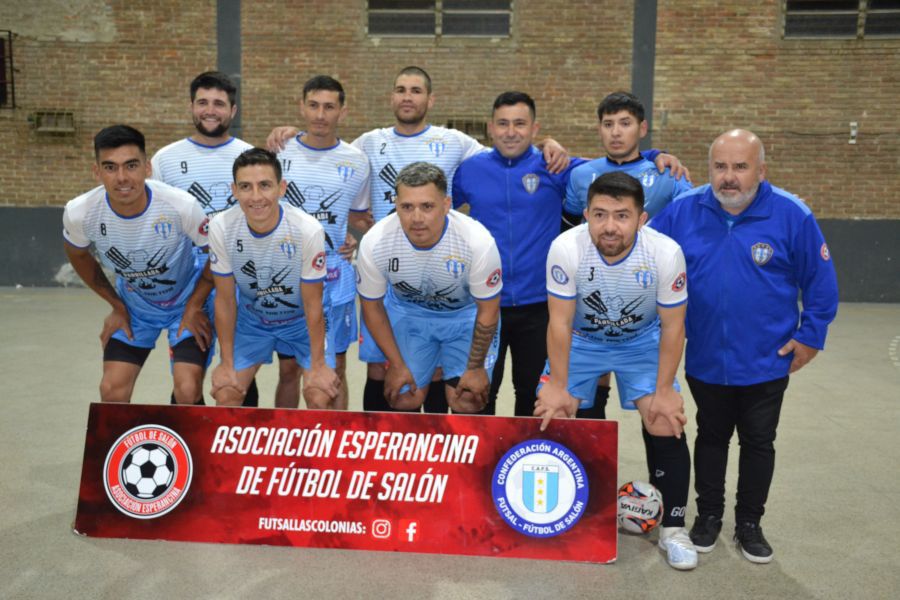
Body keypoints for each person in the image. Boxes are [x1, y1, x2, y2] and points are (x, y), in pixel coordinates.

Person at [266, 66, 567, 415]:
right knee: (382, 370)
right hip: (389, 269)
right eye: (401, 89)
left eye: (416, 90)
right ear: (391, 97)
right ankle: (383, 451)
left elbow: (506, 151)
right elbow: (339, 179)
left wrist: (547, 146)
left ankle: (436, 453)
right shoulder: (366, 144)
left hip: (443, 269)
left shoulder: (455, 142)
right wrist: (290, 134)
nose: (407, 97)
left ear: (430, 99)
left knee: (440, 373)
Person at [650, 129, 839, 564]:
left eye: (740, 167)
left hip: (768, 360)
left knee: (758, 441)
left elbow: (821, 284)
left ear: (761, 170)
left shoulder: (793, 215)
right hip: (704, 357)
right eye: (720, 167)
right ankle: (709, 516)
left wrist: (811, 336)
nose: (729, 177)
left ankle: (750, 522)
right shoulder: (681, 211)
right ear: (710, 169)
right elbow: (645, 254)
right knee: (711, 437)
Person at [452, 91, 686, 417]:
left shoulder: (558, 167)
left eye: (520, 123)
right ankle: (479, 468)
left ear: (535, 129)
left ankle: (523, 462)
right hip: (484, 302)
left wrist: (657, 155)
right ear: (490, 128)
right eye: (503, 124)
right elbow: (438, 212)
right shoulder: (469, 170)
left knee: (533, 395)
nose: (510, 131)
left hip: (540, 305)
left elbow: (616, 169)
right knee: (476, 393)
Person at [535, 171, 697, 570]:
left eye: (622, 216)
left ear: (642, 219)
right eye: (601, 214)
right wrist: (557, 385)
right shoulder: (565, 247)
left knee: (664, 419)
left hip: (640, 341)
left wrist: (664, 390)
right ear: (586, 214)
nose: (610, 226)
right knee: (554, 413)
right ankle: (578, 520)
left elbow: (674, 326)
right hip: (582, 341)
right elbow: (559, 323)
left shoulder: (665, 252)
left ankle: (674, 529)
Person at [564, 91, 694, 420]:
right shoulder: (580, 175)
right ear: (599, 129)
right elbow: (566, 229)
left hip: (646, 299)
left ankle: (659, 471)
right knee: (585, 400)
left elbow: (692, 222)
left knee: (657, 410)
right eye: (608, 124)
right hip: (592, 297)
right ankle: (593, 467)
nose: (616, 132)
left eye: (625, 123)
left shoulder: (667, 174)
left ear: (642, 127)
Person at [150, 71, 276, 408]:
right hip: (189, 283)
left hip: (241, 279)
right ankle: (193, 449)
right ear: (191, 106)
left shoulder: (251, 156)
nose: (210, 110)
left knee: (239, 377)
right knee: (186, 382)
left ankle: (236, 452)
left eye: (219, 104)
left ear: (232, 111)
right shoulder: (165, 159)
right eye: (203, 102)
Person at [63, 125, 212, 404]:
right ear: (97, 172)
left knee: (187, 390)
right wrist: (116, 305)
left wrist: (194, 305)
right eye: (110, 167)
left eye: (131, 165)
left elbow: (217, 255)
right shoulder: (80, 212)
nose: (122, 177)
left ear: (147, 168)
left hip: (186, 301)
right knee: (111, 390)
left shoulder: (180, 206)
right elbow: (77, 254)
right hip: (136, 306)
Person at [356, 162, 502, 413]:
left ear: (446, 205)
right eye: (406, 207)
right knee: (403, 397)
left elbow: (488, 309)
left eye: (427, 206)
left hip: (464, 317)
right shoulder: (375, 242)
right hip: (410, 314)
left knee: (467, 400)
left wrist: (476, 368)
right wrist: (397, 365)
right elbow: (372, 307)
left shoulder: (477, 242)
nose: (416, 218)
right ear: (396, 205)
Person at [207, 148, 340, 408]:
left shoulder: (307, 230)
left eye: (265, 185)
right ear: (234, 190)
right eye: (246, 187)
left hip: (301, 322)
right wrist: (226, 362)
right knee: (226, 392)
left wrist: (319, 365)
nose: (256, 196)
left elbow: (313, 304)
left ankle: (295, 446)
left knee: (318, 393)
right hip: (252, 322)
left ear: (281, 188)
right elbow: (224, 300)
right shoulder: (221, 227)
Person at [275, 75, 372, 409]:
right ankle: (282, 444)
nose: (320, 114)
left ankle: (337, 449)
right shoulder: (279, 150)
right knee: (289, 369)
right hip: (285, 275)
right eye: (313, 105)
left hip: (335, 276)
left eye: (329, 107)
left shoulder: (357, 161)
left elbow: (359, 216)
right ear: (302, 107)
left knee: (336, 368)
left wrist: (358, 239)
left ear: (342, 112)